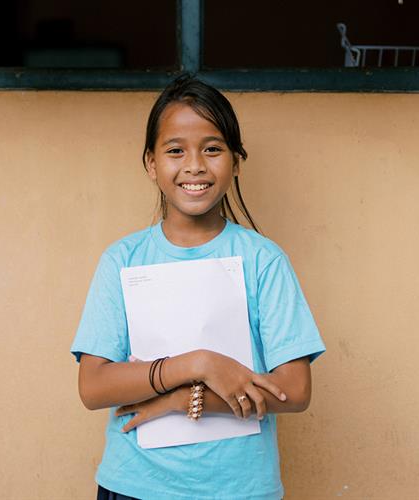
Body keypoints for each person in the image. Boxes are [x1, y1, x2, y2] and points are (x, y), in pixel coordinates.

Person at [70, 74, 326, 500]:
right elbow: (93, 387)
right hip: (135, 484)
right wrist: (196, 363)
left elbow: (295, 390)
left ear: (236, 161)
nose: (194, 165)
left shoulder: (263, 260)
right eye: (175, 151)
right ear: (151, 163)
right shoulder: (122, 260)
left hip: (239, 490)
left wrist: (184, 401)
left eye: (212, 149)